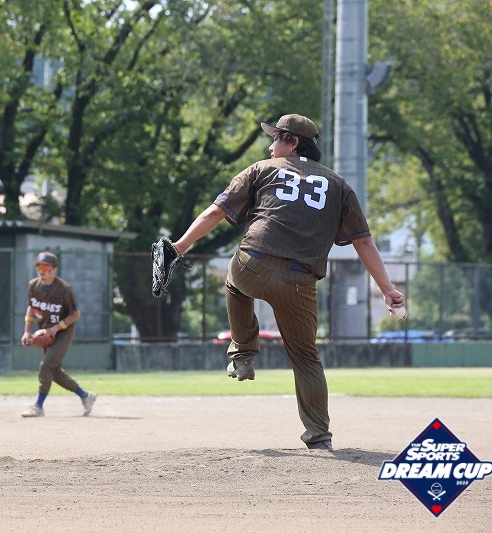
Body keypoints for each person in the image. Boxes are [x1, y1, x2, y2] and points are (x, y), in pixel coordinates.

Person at [171, 114, 406, 451]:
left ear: (293, 142)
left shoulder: (261, 169)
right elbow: (363, 242)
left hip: (253, 264)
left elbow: (215, 212)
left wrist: (180, 246)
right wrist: (388, 289)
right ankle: (319, 437)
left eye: (276, 138)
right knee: (306, 358)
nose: (271, 146)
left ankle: (243, 355)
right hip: (299, 280)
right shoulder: (339, 185)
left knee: (235, 283)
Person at [20, 251, 97, 417]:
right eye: (39, 266)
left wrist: (56, 329)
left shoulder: (64, 289)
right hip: (46, 332)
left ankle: (38, 406)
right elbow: (31, 308)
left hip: (63, 332)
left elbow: (75, 314)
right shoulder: (34, 286)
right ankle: (86, 396)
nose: (41, 270)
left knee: (45, 365)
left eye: (45, 267)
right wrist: (26, 331)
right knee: (54, 372)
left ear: (54, 270)